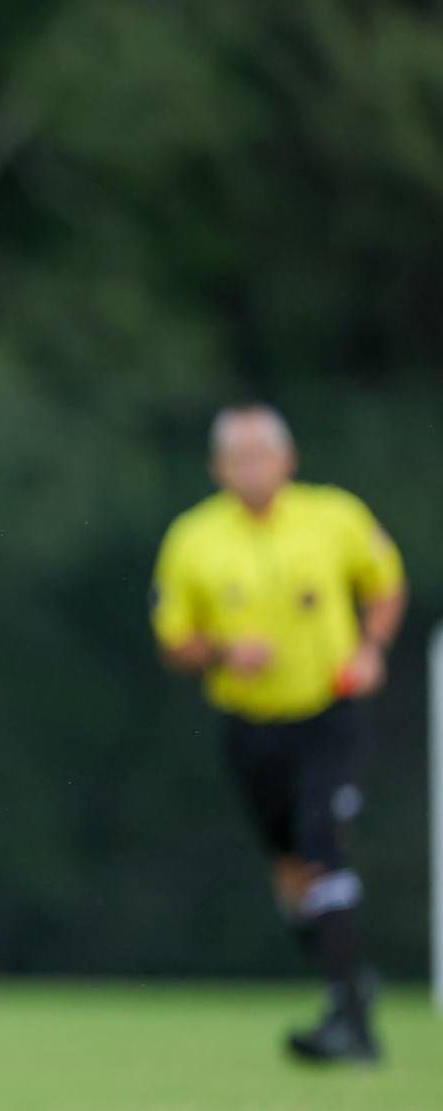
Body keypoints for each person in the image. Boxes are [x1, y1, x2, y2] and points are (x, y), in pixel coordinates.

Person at [151, 404, 405, 1063]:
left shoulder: (334, 516)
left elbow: (385, 584)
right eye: (237, 457)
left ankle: (349, 1020)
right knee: (291, 871)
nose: (251, 468)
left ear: (288, 460)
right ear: (217, 468)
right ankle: (349, 982)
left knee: (322, 847)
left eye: (261, 454)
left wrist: (372, 648)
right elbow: (174, 641)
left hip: (327, 711)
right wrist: (222, 651)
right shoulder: (193, 538)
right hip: (250, 728)